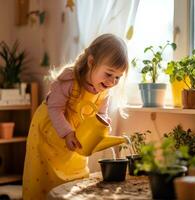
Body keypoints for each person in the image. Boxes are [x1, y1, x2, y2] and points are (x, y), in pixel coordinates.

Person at [22, 33, 129, 199]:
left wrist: (103, 122)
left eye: (118, 77)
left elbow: (101, 112)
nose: (112, 82)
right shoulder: (70, 80)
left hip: (74, 134)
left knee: (74, 173)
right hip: (50, 130)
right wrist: (67, 132)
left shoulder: (104, 91)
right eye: (109, 74)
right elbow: (55, 108)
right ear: (91, 62)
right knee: (44, 174)